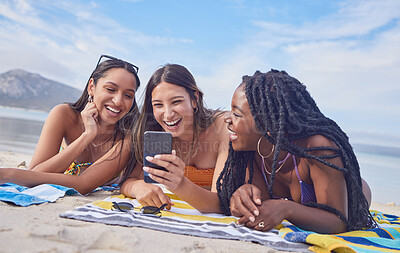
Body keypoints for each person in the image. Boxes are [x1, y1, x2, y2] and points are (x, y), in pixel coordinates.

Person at [217, 69, 376, 234]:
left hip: (352, 198)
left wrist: (287, 209)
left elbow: (338, 222)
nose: (226, 118)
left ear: (268, 124)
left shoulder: (317, 149)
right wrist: (244, 196)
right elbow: (262, 209)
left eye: (236, 114)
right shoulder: (251, 152)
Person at [0, 55, 140, 195]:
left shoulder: (130, 135)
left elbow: (83, 185)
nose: (118, 101)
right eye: (110, 89)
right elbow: (34, 174)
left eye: (128, 95)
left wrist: (10, 174)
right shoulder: (64, 115)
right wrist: (87, 136)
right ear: (91, 87)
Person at [120, 64, 229, 211]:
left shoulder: (223, 127)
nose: (168, 114)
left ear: (195, 99)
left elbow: (220, 204)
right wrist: (137, 187)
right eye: (158, 105)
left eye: (176, 102)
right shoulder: (154, 131)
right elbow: (128, 181)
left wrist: (180, 184)